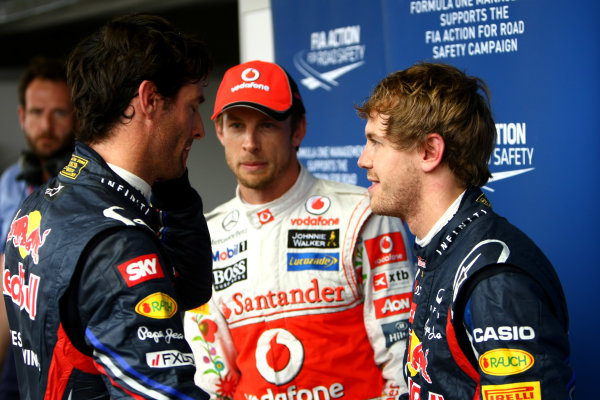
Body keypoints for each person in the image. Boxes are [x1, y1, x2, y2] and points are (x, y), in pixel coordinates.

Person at [2, 14, 213, 399]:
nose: (198, 129)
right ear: (150, 100)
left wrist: (173, 182)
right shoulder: (118, 245)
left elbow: (190, 286)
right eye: (192, 106)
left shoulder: (38, 203)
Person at [183, 60, 414, 399]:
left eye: (266, 125)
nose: (249, 143)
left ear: (298, 130)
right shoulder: (206, 236)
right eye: (236, 126)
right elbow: (211, 376)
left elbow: (402, 358)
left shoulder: (363, 214)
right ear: (219, 131)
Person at [355, 62, 575, 400]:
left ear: (429, 152)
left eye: (376, 143)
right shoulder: (443, 248)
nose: (363, 160)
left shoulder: (494, 281)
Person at [0, 55, 76, 399]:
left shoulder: (90, 187)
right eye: (36, 112)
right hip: (13, 352)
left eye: (58, 113)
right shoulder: (8, 187)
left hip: (69, 352)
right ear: (21, 116)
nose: (46, 125)